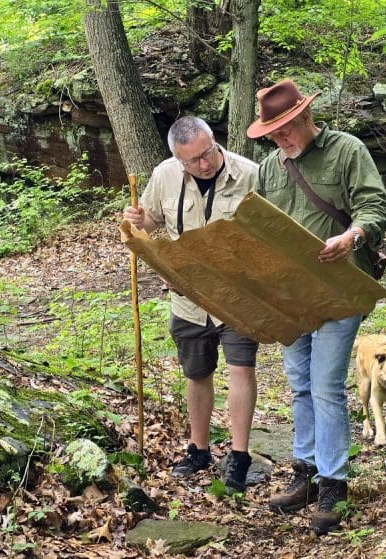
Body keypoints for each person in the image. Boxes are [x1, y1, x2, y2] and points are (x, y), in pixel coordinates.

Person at [246, 79, 386, 535]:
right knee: (299, 385)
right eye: (273, 133)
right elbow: (262, 226)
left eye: (286, 129)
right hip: (292, 294)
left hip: (339, 287)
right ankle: (306, 472)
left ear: (306, 117)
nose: (281, 139)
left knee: (326, 385)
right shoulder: (271, 167)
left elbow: (376, 206)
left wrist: (351, 238)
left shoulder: (347, 150)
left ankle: (335, 484)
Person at [122, 116, 259, 494]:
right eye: (192, 161)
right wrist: (137, 220)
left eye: (207, 153)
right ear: (177, 160)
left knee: (240, 368)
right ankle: (198, 449)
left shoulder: (249, 174)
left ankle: (239, 456)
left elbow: (267, 235)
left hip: (237, 296)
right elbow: (149, 222)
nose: (203, 164)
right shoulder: (165, 174)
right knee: (196, 372)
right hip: (187, 299)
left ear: (215, 141)